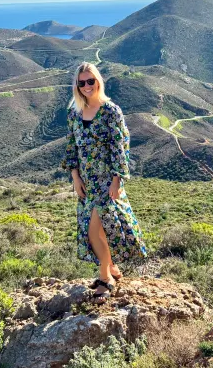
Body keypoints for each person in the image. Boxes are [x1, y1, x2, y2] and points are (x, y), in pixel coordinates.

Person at [61, 62, 147, 304]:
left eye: (91, 81)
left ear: (98, 81)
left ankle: (105, 278)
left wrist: (117, 180)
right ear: (76, 86)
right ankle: (113, 268)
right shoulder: (74, 113)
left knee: (95, 229)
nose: (87, 86)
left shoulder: (111, 111)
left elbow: (122, 147)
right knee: (100, 230)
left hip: (106, 180)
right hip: (87, 182)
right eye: (82, 82)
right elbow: (72, 148)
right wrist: (75, 178)